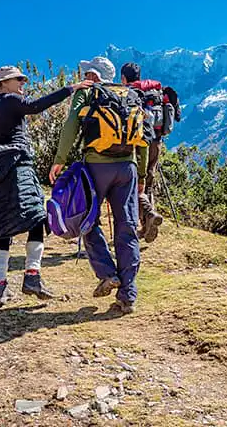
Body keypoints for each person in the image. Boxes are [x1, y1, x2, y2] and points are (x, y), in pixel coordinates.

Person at [0, 65, 93, 307]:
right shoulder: (11, 100)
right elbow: (36, 107)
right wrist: (71, 89)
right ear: (4, 83)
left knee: (2, 228)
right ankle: (32, 277)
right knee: (37, 218)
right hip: (18, 168)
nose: (22, 84)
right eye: (18, 80)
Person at [50, 56, 149, 315]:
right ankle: (128, 295)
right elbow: (144, 138)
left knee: (87, 220)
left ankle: (107, 273)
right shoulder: (130, 94)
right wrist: (142, 176)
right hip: (127, 168)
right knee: (126, 227)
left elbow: (72, 124)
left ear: (92, 75)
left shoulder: (88, 93)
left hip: (96, 167)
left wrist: (60, 159)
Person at [120, 62, 175, 242]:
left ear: (123, 78)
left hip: (137, 142)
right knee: (148, 181)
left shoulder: (130, 93)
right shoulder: (156, 91)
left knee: (134, 181)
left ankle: (145, 218)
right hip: (156, 141)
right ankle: (147, 224)